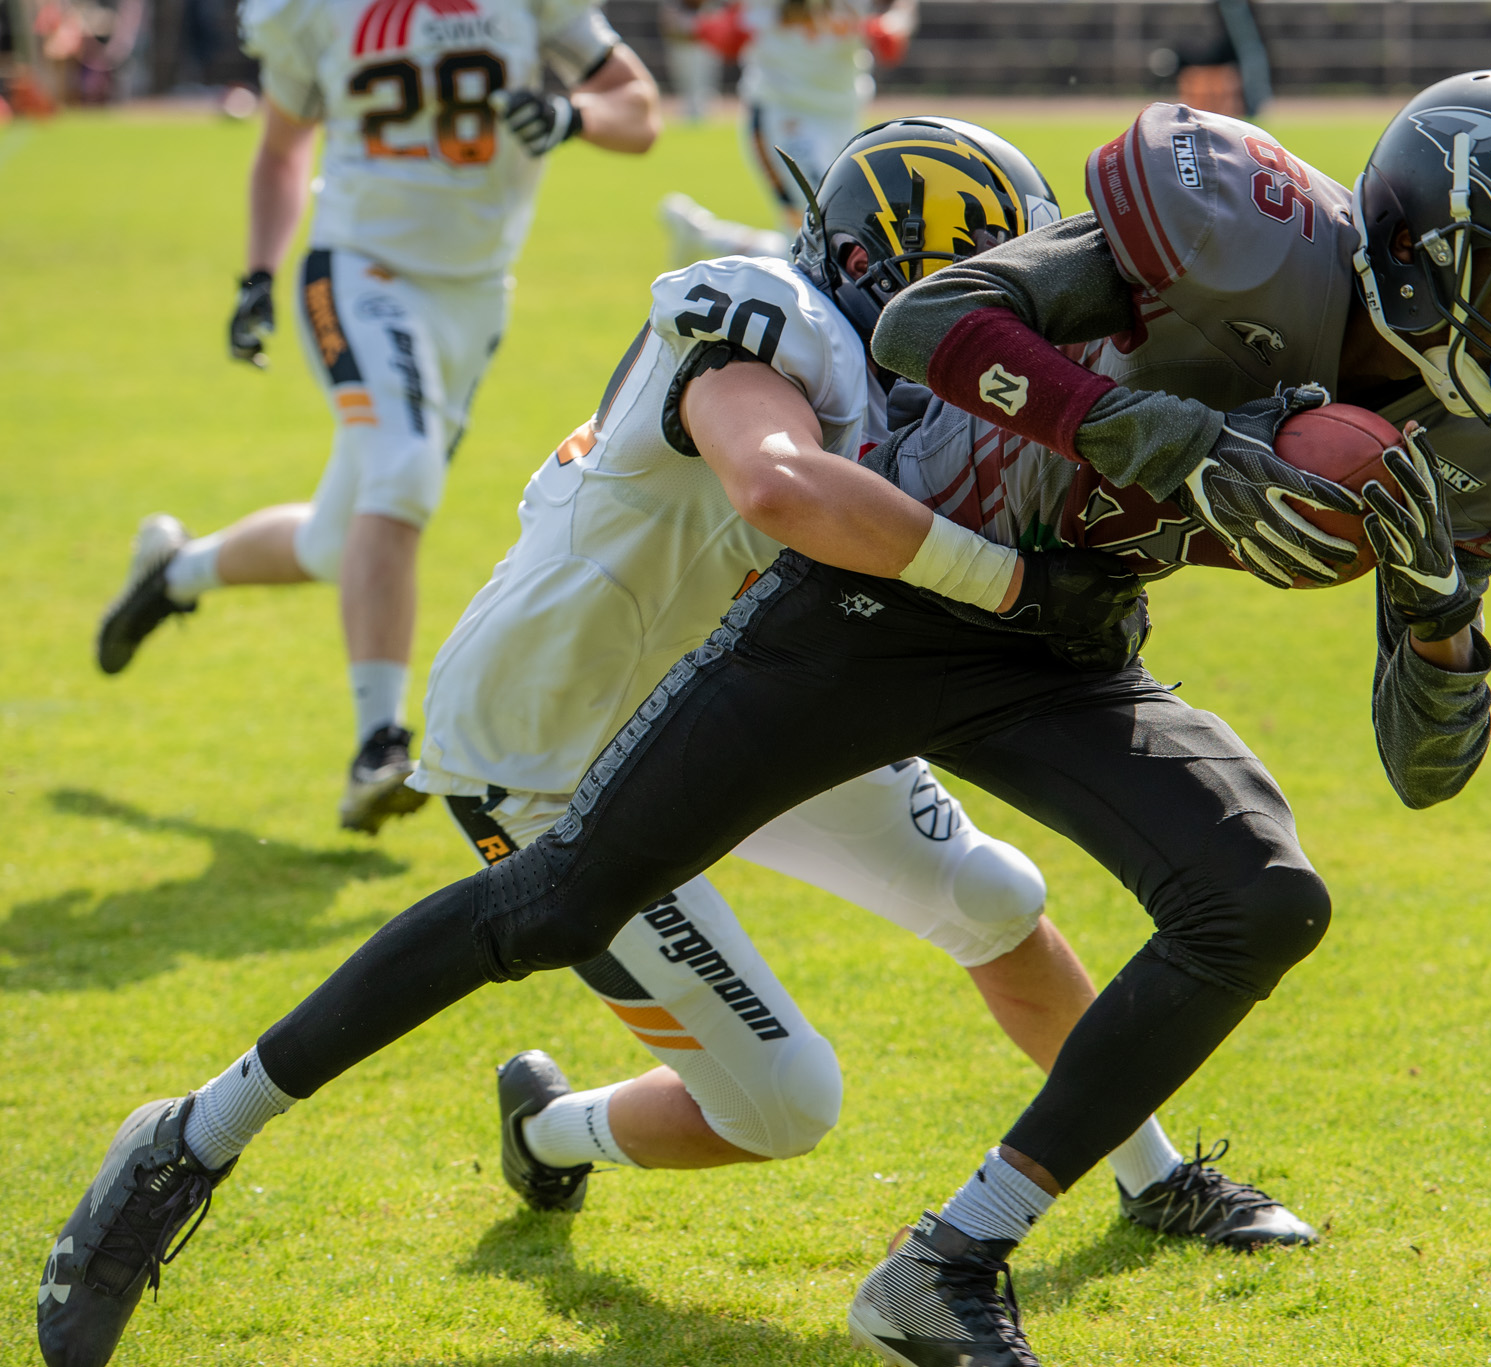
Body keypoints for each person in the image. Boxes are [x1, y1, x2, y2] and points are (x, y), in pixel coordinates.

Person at [44, 73, 1491, 1367]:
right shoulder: (1235, 223)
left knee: (1261, 896)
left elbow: (1425, 764)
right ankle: (192, 1135)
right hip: (893, 603)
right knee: (558, 903)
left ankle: (950, 1260)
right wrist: (1170, 439)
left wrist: (1439, 606)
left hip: (1066, 633)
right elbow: (931, 326)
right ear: (1434, 245)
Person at [409, 117, 1305, 1236]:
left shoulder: (884, 370)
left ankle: (1150, 1170)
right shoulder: (765, 323)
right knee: (782, 1100)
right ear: (888, 264)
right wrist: (1018, 587)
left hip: (744, 687)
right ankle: (550, 1127)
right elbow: (783, 491)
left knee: (990, 897)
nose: (1002, 312)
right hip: (551, 739)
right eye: (980, 277)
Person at [91, 0, 661, 834]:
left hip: (475, 291)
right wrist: (257, 273)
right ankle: (378, 746)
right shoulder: (317, 12)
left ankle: (175, 571)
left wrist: (572, 113)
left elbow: (638, 112)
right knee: (403, 474)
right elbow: (285, 149)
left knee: (340, 539)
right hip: (361, 266)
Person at [657, 0, 915, 264]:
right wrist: (690, 23)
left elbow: (892, 34)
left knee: (815, 241)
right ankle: (707, 238)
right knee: (827, 230)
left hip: (842, 120)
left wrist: (892, 23)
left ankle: (705, 235)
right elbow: (726, 36)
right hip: (784, 119)